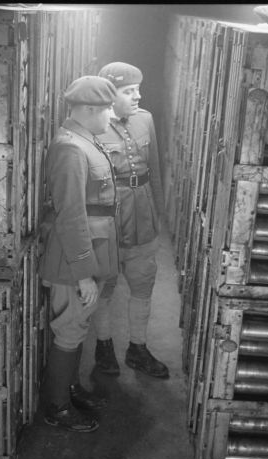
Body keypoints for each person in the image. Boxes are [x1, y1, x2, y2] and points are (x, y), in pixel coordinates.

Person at [38, 75, 119, 432]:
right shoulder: (70, 148)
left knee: (78, 325)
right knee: (69, 330)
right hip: (74, 260)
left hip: (90, 249)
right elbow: (71, 214)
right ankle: (57, 407)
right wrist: (84, 273)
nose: (112, 116)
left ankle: (69, 389)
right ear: (88, 110)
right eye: (107, 110)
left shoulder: (85, 141)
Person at [91, 62, 169, 379]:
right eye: (129, 91)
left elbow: (154, 169)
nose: (138, 96)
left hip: (143, 212)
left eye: (138, 89)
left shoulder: (145, 119)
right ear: (111, 94)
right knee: (104, 285)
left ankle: (137, 348)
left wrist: (159, 212)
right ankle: (103, 346)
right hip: (109, 214)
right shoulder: (95, 126)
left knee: (142, 282)